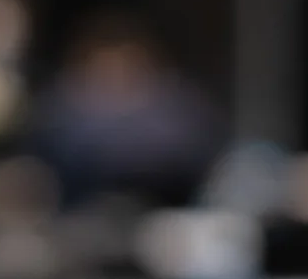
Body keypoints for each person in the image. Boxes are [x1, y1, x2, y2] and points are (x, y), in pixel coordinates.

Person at [30, 12, 220, 206]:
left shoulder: (177, 104)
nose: (116, 74)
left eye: (126, 65)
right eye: (105, 68)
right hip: (81, 216)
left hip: (162, 216)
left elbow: (192, 152)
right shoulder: (62, 105)